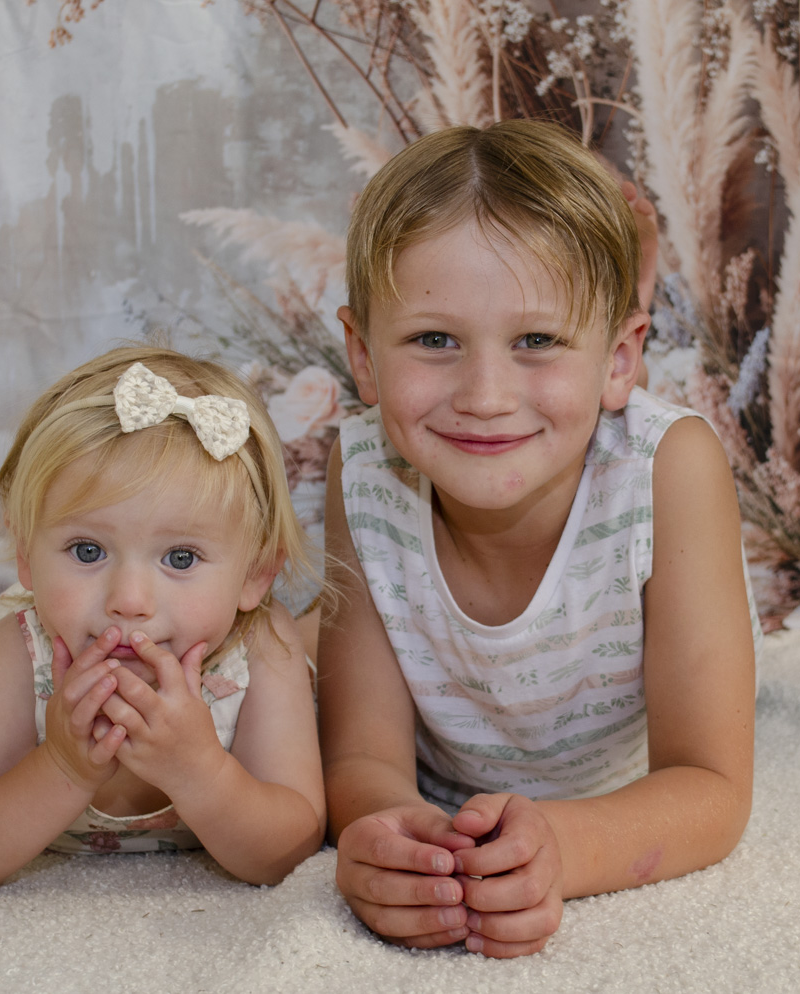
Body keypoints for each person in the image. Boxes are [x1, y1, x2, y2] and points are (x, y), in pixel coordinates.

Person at [318, 120, 761, 959]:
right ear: (364, 357)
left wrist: (565, 848)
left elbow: (710, 788)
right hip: (452, 792)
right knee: (294, 646)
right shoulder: (365, 469)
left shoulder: (667, 468)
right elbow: (361, 754)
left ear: (620, 358)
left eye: (537, 341)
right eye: (434, 340)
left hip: (619, 778)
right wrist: (401, 844)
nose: (485, 394)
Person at [0, 347, 325, 898]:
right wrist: (62, 767)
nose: (128, 600)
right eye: (88, 550)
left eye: (182, 558)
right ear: (26, 556)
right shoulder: (20, 655)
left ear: (256, 576)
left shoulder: (262, 648)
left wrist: (201, 772)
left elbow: (290, 849)